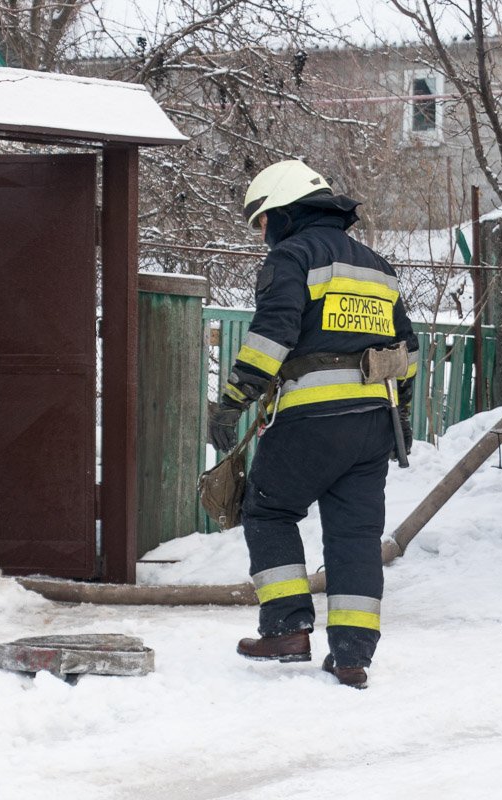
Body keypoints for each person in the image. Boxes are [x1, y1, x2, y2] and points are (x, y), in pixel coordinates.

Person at [207, 160, 418, 689]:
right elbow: (406, 352)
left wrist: (234, 398)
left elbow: (273, 333)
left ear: (284, 212)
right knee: (356, 537)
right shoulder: (377, 267)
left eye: (263, 221)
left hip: (310, 418)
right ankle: (352, 656)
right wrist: (404, 417)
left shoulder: (292, 256)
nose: (263, 234)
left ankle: (287, 627)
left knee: (269, 510)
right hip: (372, 423)